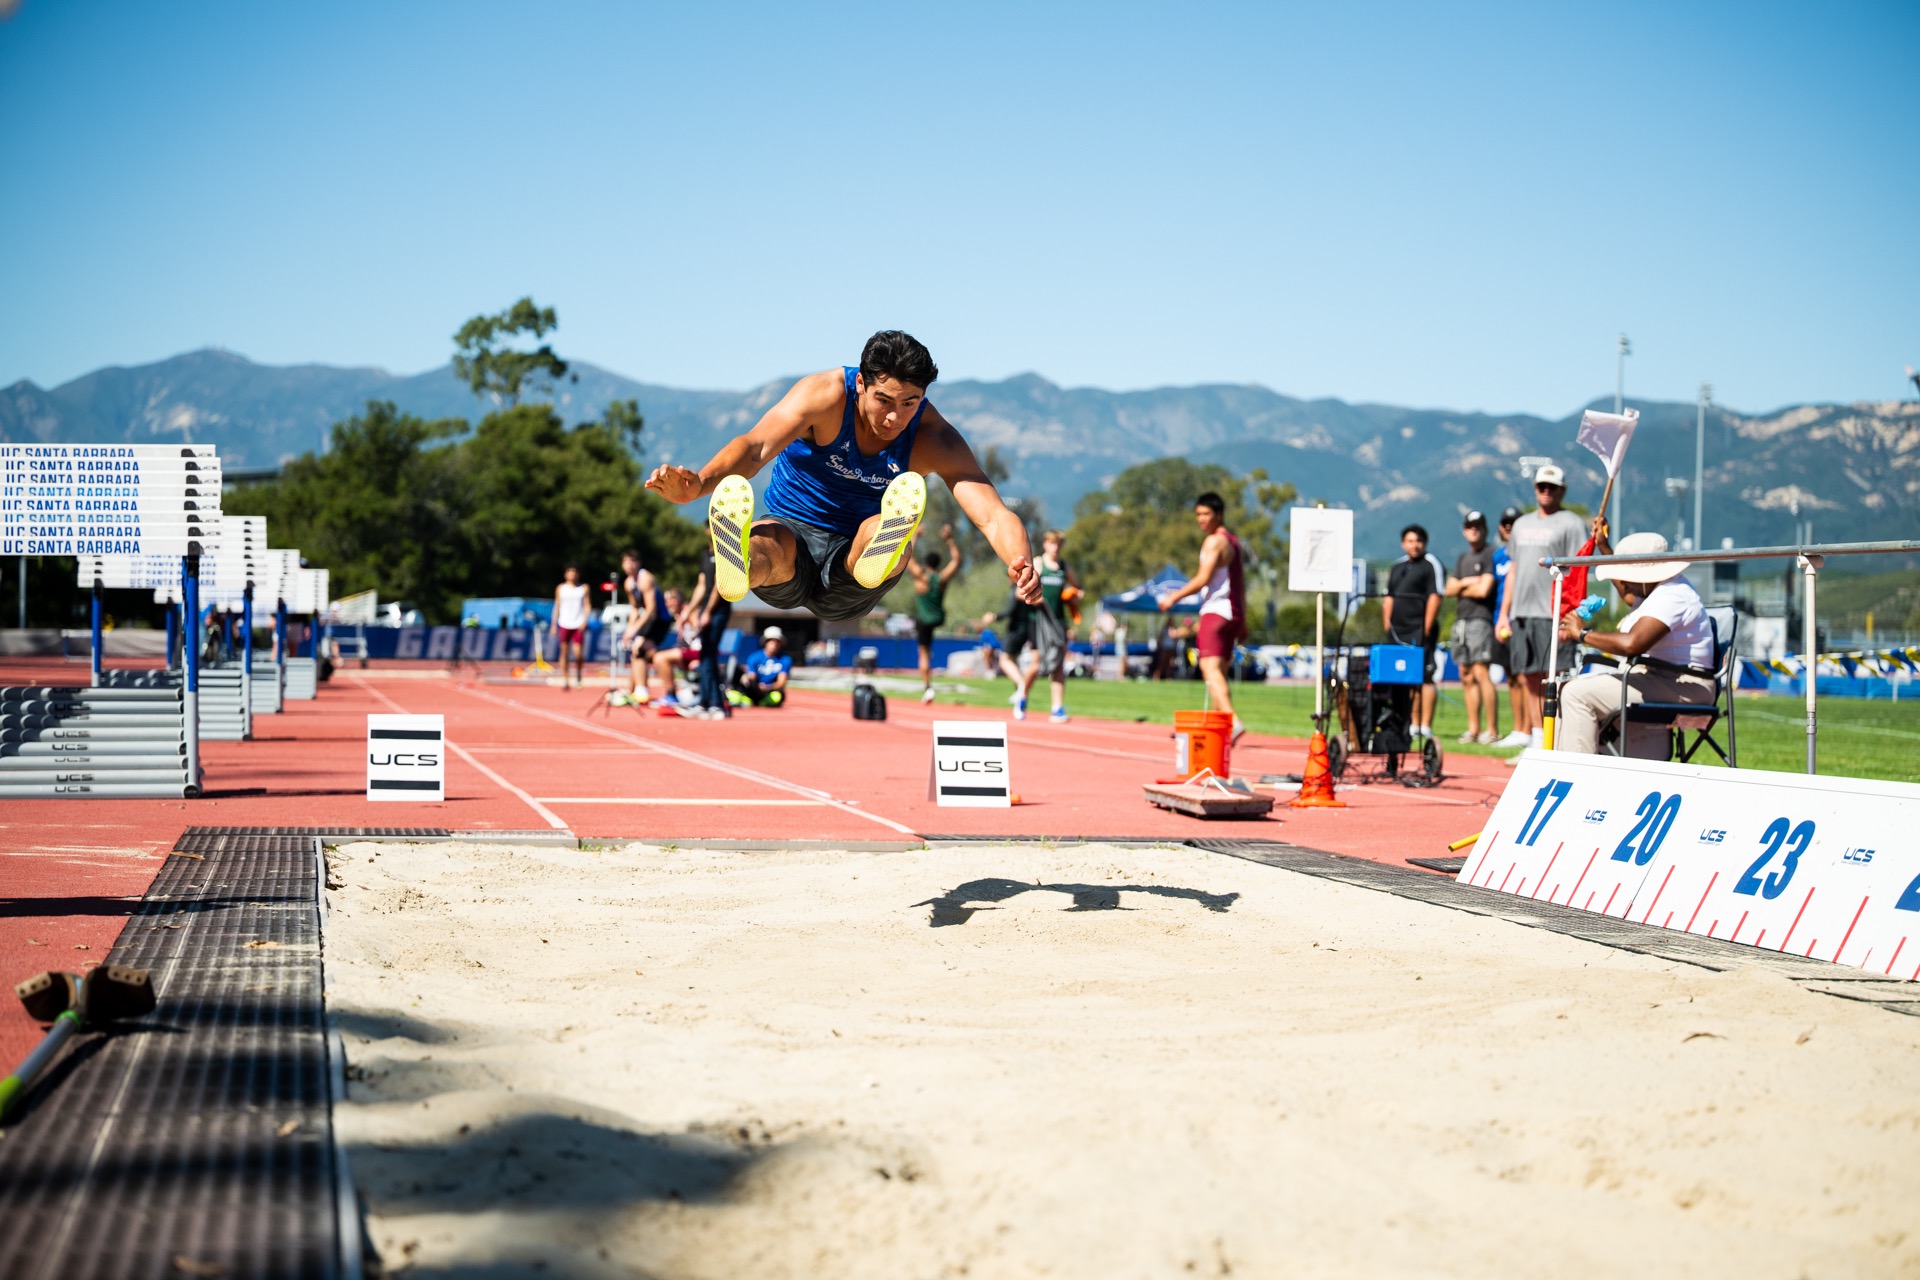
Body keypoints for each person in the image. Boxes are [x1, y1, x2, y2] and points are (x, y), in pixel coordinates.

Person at [644, 330, 1043, 626]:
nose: (895, 417)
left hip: (852, 562)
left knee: (883, 530)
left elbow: (991, 513)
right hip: (793, 527)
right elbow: (755, 448)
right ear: (860, 384)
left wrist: (1020, 562)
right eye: (884, 401)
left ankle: (883, 551)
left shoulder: (932, 435)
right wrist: (699, 483)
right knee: (770, 542)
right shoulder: (824, 396)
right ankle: (741, 564)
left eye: (910, 404)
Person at [1555, 532, 1715, 756]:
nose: (1622, 584)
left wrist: (1583, 634)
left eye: (1625, 575)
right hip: (1661, 678)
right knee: (1566, 688)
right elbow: (1629, 595)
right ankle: (1561, 763)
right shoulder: (1655, 590)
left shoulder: (1673, 595)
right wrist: (1604, 548)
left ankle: (1576, 776)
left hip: (1685, 686)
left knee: (1575, 693)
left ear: (1644, 576)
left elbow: (1633, 644)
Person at [1496, 465, 1592, 749]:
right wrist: (1504, 613)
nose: (1546, 491)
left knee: (1555, 677)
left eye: (1552, 487)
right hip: (1523, 612)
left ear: (1562, 490)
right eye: (1541, 486)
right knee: (1528, 676)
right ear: (1535, 489)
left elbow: (1578, 571)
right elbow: (1513, 570)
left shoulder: (1571, 522)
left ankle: (1557, 739)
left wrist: (1570, 615)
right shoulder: (1522, 524)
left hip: (1553, 612)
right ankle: (1537, 739)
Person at [1158, 492, 1248, 743]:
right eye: (1198, 514)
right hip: (1233, 613)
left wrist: (1173, 598)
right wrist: (1244, 620)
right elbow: (1240, 584)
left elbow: (1203, 578)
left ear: (1219, 515)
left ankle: (1232, 721)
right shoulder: (1234, 542)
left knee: (1209, 669)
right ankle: (1221, 729)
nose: (1201, 519)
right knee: (1219, 671)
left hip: (1216, 612)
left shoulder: (1214, 542)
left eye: (1206, 514)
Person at [1012, 529, 1080, 723]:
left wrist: (1075, 596)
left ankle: (1057, 707)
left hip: (1057, 621)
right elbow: (1019, 592)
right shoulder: (1038, 564)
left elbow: (1077, 589)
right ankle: (1022, 696)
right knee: (1037, 662)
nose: (1055, 547)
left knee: (1058, 664)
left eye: (1058, 544)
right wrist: (1035, 599)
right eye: (1052, 543)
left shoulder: (1064, 567)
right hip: (1037, 620)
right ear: (1045, 544)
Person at [1444, 512, 1499, 744]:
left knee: (1480, 671)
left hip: (1480, 619)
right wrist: (1469, 582)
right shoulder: (1462, 557)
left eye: (1477, 526)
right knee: (1466, 675)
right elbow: (1448, 590)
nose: (1473, 530)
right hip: (1461, 621)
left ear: (1485, 529)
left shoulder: (1489, 554)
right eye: (1469, 526)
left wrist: (1461, 586)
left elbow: (1484, 590)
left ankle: (1492, 730)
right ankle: (1473, 729)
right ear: (1464, 529)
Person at [1383, 524, 1442, 740]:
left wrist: (1426, 628)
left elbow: (1436, 596)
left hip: (1419, 631)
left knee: (1424, 677)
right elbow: (1389, 596)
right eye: (1410, 540)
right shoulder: (1397, 567)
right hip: (1397, 632)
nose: (1414, 544)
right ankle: (1408, 721)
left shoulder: (1430, 564)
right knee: (1402, 678)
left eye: (1418, 540)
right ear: (1403, 543)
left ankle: (1424, 725)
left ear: (1424, 543)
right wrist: (1387, 623)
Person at [905, 524, 962, 703]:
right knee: (928, 650)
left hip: (923, 620)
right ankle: (930, 664)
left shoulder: (920, 576)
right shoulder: (941, 579)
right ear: (937, 564)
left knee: (923, 653)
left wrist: (915, 535)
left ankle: (928, 687)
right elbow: (957, 560)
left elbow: (907, 557)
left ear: (926, 563)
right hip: (938, 618)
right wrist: (949, 540)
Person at [1488, 506, 1530, 747]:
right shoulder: (1498, 556)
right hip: (1500, 621)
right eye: (1505, 522)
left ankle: (1528, 729)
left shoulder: (1525, 553)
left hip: (1521, 618)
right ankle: (1518, 729)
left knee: (1526, 677)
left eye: (1513, 522)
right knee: (1512, 676)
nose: (1508, 526)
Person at [690, 547, 732, 719]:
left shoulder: (723, 553)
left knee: (708, 655)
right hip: (706, 610)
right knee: (705, 656)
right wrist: (688, 612)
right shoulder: (706, 555)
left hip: (718, 610)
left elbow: (718, 584)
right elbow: (701, 586)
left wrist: (707, 611)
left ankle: (715, 704)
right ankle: (706, 702)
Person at [552, 565, 592, 690]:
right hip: (564, 623)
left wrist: (585, 621)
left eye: (575, 572)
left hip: (578, 623)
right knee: (564, 652)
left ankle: (579, 674)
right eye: (570, 572)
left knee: (578, 653)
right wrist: (553, 624)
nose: (572, 574)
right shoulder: (561, 588)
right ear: (565, 574)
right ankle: (565, 678)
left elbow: (587, 605)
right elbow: (557, 606)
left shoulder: (584, 588)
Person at [733, 626, 794, 707]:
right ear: (765, 642)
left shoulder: (785, 660)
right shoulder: (754, 657)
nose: (774, 644)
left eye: (777, 641)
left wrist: (768, 687)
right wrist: (752, 682)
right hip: (753, 689)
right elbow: (752, 676)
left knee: (776, 696)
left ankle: (763, 702)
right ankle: (748, 700)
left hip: (771, 691)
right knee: (734, 694)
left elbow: (781, 681)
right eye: (771, 641)